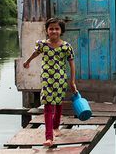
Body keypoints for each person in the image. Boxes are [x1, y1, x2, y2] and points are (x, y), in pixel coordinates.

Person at [23, 18, 77, 147]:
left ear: (61, 31)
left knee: (58, 103)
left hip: (60, 80)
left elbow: (72, 64)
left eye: (57, 29)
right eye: (51, 28)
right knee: (48, 105)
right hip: (47, 79)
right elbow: (35, 53)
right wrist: (28, 61)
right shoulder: (43, 45)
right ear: (47, 31)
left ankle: (56, 126)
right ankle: (49, 137)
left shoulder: (66, 46)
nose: (54, 31)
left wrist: (72, 81)